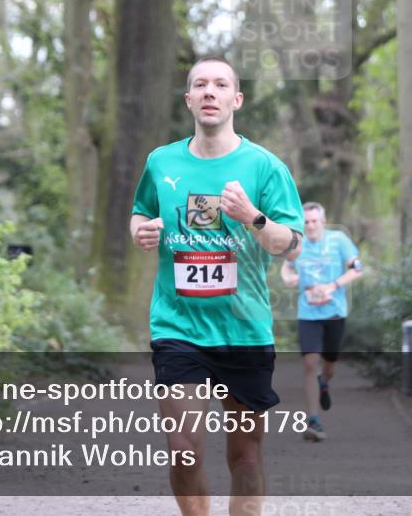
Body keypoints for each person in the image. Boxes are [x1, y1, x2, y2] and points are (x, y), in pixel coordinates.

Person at [130, 56, 304, 516]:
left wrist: (253, 217)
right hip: (178, 327)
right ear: (188, 99)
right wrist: (140, 231)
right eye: (201, 85)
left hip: (244, 330)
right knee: (183, 449)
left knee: (245, 455)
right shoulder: (161, 161)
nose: (210, 92)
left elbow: (291, 246)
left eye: (221, 84)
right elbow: (141, 211)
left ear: (236, 99)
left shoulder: (265, 167)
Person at [280, 202, 363, 442]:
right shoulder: (298, 243)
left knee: (329, 365)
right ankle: (313, 420)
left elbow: (357, 269)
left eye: (315, 221)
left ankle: (324, 383)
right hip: (308, 314)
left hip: (334, 313)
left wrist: (332, 286)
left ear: (323, 222)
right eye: (306, 222)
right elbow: (286, 267)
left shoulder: (338, 240)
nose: (311, 225)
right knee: (309, 364)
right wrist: (289, 278)